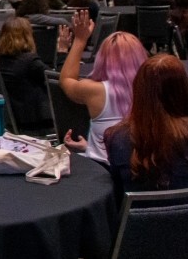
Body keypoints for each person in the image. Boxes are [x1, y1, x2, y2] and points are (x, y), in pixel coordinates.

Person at [105, 54, 188, 200]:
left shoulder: (115, 137)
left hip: (136, 222)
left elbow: (116, 189)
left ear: (139, 90)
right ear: (181, 90)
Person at [59, 11, 148, 164]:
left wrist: (80, 40)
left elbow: (66, 79)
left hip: (103, 172)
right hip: (141, 171)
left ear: (103, 58)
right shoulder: (152, 90)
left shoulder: (96, 91)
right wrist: (91, 146)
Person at [0, 17, 52, 131]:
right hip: (36, 119)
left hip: (15, 118)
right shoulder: (30, 62)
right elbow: (57, 80)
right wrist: (62, 53)